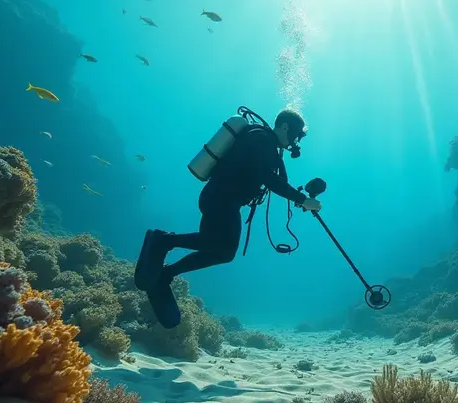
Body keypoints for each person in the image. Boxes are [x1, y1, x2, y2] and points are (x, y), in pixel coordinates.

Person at [134, 108, 321, 327]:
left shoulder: (265, 143)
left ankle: (166, 273)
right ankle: (163, 242)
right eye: (296, 135)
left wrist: (301, 199)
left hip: (224, 200)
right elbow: (268, 178)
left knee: (223, 251)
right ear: (286, 126)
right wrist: (302, 199)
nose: (295, 142)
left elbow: (271, 178)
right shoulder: (262, 139)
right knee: (217, 244)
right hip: (221, 198)